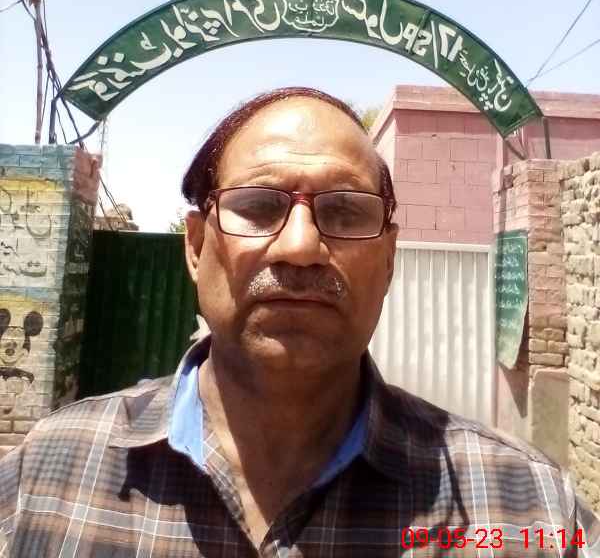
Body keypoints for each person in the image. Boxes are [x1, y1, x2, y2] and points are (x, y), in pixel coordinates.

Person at [0, 86, 598, 557]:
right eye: (259, 207)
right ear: (196, 246)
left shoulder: (528, 508)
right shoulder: (44, 476)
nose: (301, 246)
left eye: (345, 211)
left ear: (389, 258)